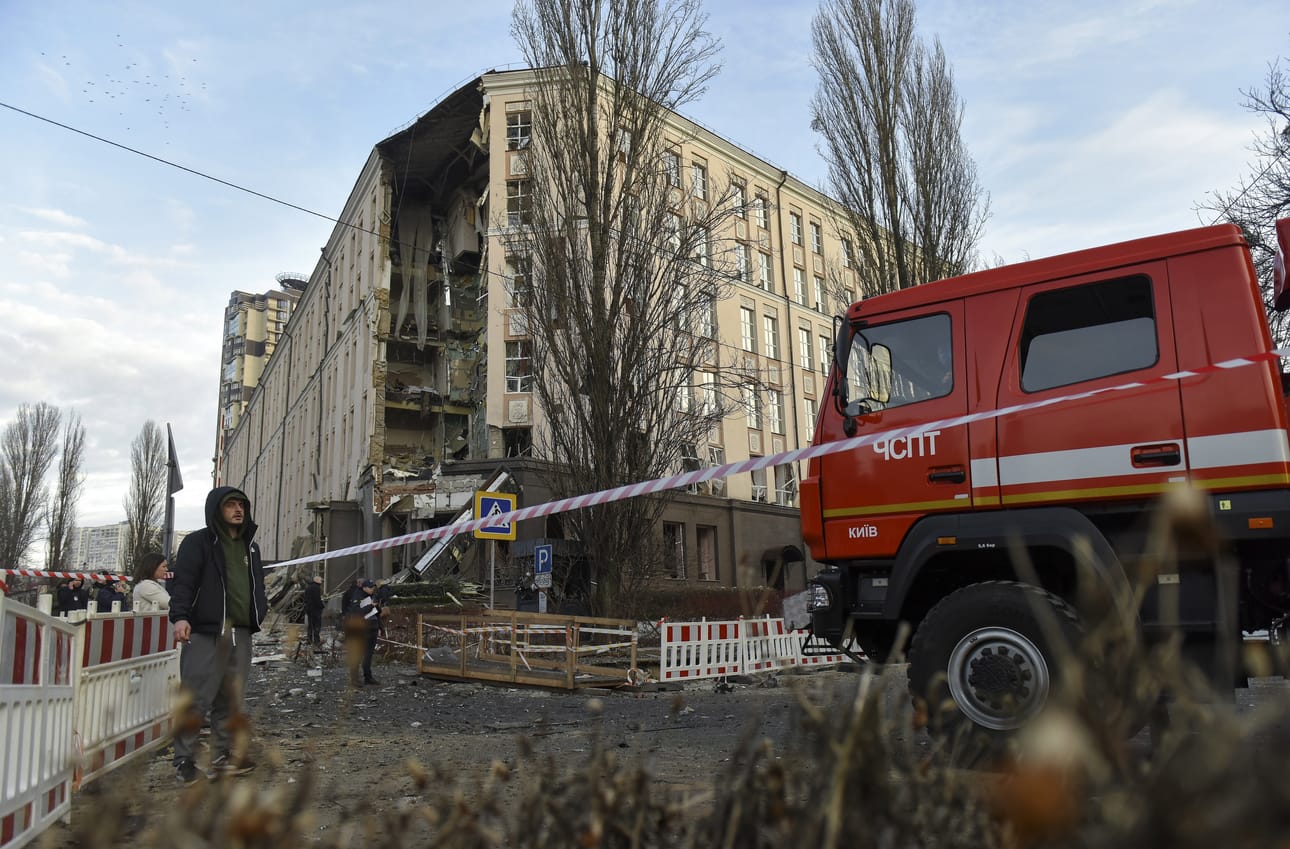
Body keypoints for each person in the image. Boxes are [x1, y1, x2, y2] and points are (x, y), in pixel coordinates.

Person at [169, 487, 268, 785]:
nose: (238, 510)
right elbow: (183, 584)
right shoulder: (198, 543)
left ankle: (223, 755)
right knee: (196, 696)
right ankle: (183, 760)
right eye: (231, 505)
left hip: (240, 632)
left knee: (231, 699)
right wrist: (181, 617)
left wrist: (258, 612)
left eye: (242, 505)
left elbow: (254, 586)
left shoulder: (251, 548)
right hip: (206, 631)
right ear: (216, 509)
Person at [356, 579, 385, 686]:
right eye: (370, 587)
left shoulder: (373, 597)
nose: (372, 589)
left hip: (373, 627)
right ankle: (355, 678)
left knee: (368, 654)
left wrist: (381, 627)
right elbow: (358, 613)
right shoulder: (357, 597)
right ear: (364, 588)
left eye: (373, 587)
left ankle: (368, 677)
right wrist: (371, 606)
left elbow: (377, 614)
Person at [303, 574, 324, 646]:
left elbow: (305, 599)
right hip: (315, 610)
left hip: (309, 609)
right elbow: (317, 599)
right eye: (321, 581)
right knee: (317, 625)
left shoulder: (308, 587)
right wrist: (321, 606)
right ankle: (316, 641)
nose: (321, 582)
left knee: (310, 625)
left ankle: (309, 640)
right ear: (318, 581)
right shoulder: (316, 588)